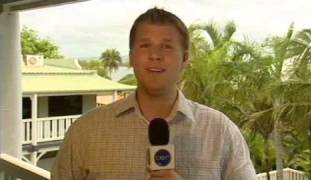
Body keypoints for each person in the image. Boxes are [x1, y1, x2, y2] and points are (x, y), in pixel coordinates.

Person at [51, 7, 256, 180]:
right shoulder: (85, 131)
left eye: (166, 47)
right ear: (131, 58)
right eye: (145, 45)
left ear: (185, 59)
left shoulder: (221, 131)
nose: (155, 55)